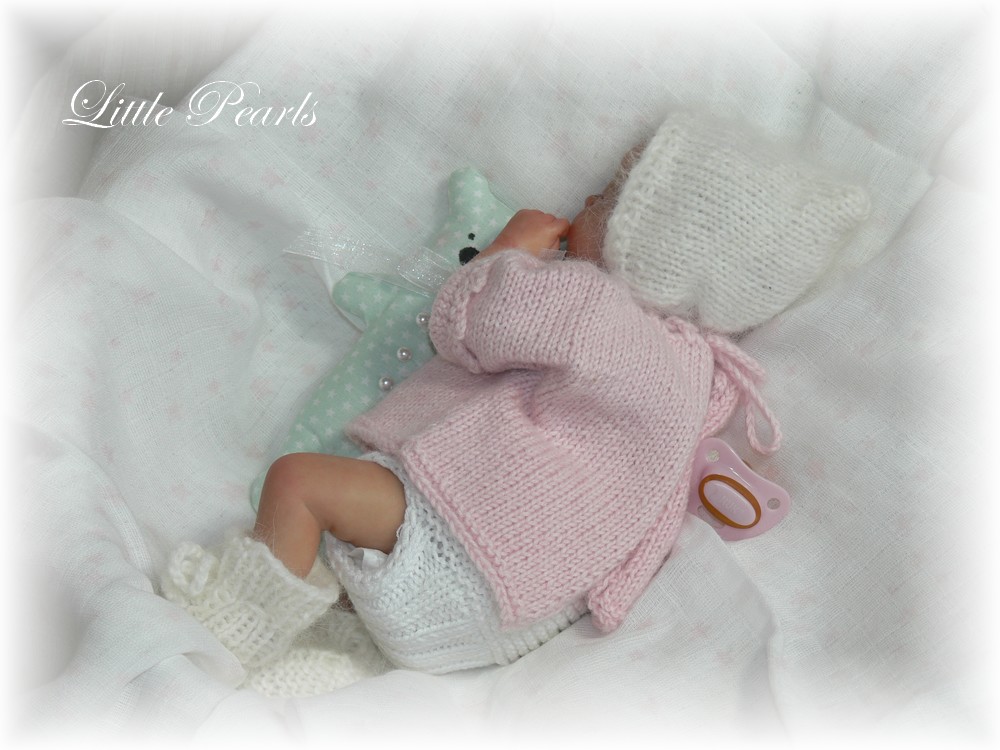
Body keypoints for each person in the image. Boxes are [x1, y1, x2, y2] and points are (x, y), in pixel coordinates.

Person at [162, 110, 869, 680]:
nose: (583, 199)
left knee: (299, 484)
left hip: (460, 548)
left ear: (657, 247)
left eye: (609, 197)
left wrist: (507, 251)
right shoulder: (696, 382)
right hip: (517, 612)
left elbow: (470, 323)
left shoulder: (596, 311)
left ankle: (230, 637)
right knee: (345, 515)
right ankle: (334, 637)